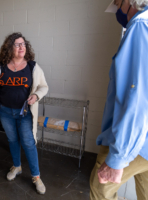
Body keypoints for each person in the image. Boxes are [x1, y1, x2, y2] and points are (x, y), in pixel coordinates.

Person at [0, 32, 48, 194]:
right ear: (9, 47)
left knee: (28, 142)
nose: (22, 47)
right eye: (17, 44)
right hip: (5, 111)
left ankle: (36, 176)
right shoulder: (0, 68)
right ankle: (17, 166)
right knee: (12, 139)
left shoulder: (32, 66)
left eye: (23, 44)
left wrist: (36, 95)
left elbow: (44, 87)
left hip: (25, 113)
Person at [90, 0, 148, 199]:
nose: (116, 6)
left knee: (100, 190)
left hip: (135, 142)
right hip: (143, 141)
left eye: (116, 2)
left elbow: (137, 98)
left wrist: (117, 159)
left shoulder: (140, 26)